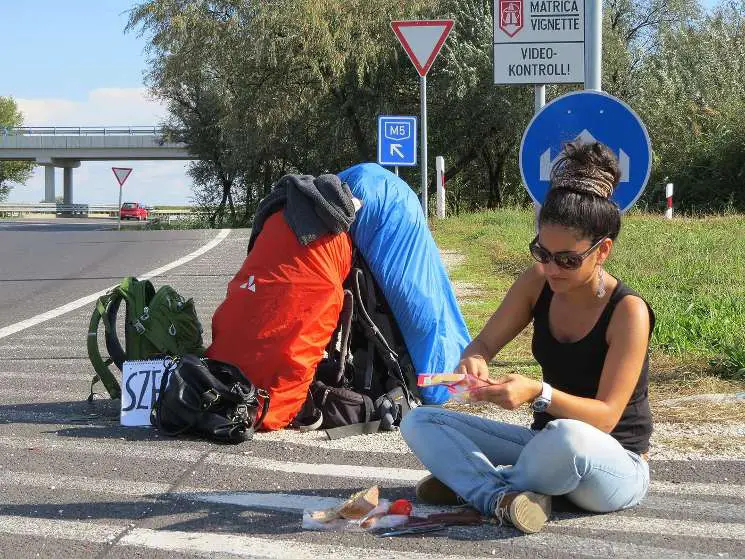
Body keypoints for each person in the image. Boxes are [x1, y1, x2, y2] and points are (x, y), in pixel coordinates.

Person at [400, 141, 655, 535]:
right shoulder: (538, 282)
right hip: (543, 447)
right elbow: (482, 346)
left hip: (611, 462)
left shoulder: (628, 311)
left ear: (603, 250)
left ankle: (477, 486)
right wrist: (474, 362)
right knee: (420, 420)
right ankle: (505, 496)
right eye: (543, 252)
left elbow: (605, 418)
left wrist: (540, 393)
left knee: (567, 437)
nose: (552, 267)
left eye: (568, 259)